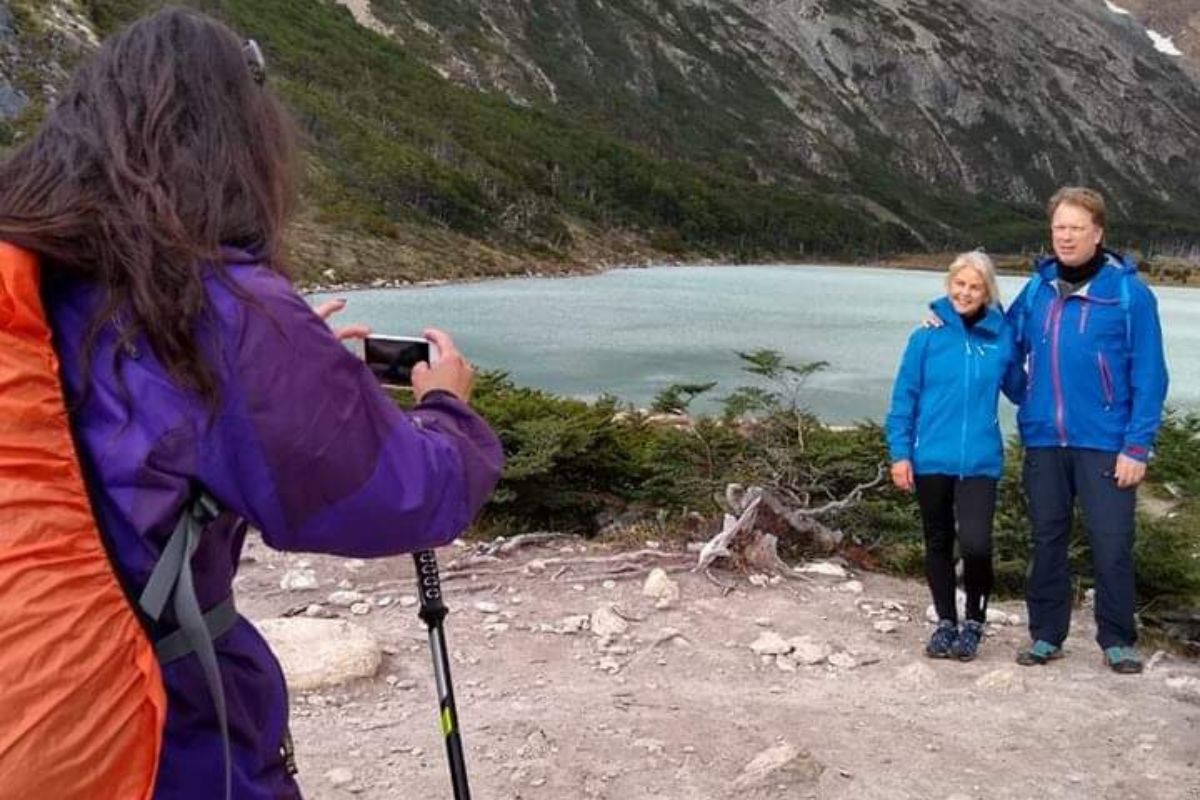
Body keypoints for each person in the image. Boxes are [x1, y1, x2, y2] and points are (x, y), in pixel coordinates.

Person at [0, 8, 502, 799]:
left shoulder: (27, 274)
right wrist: (447, 411)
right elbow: (403, 497)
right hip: (158, 734)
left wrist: (296, 374)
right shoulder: (218, 309)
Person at [1008, 187, 1168, 674]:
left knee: (1111, 541)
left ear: (1097, 234)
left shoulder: (1127, 294)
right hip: (1045, 439)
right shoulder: (1036, 289)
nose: (1066, 236)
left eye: (1077, 228)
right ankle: (1046, 636)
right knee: (1047, 539)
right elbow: (1002, 342)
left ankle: (1117, 639)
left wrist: (1137, 445)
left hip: (1106, 441)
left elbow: (1150, 375)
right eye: (1060, 227)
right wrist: (1026, 396)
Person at [886, 251, 1025, 661]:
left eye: (974, 286)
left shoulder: (1001, 338)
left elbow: (1021, 390)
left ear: (987, 292)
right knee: (938, 541)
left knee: (978, 544)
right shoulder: (925, 337)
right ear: (950, 286)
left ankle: (975, 622)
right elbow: (903, 401)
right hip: (930, 458)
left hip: (980, 461)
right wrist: (900, 454)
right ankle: (946, 622)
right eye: (959, 284)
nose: (965, 292)